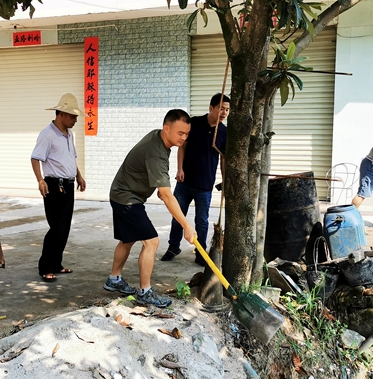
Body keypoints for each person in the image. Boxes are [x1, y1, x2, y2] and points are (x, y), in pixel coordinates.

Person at [103, 109, 197, 308]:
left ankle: (114, 279)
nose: (184, 138)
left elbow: (152, 175)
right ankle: (145, 292)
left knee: (128, 239)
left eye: (187, 134)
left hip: (121, 193)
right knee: (152, 242)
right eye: (180, 133)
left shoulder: (158, 137)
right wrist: (187, 225)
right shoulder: (156, 152)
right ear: (166, 128)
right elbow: (167, 195)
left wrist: (159, 187)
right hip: (127, 198)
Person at [161, 93, 229, 266]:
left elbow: (223, 158)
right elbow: (182, 146)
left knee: (202, 221)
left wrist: (225, 180)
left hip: (205, 184)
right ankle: (173, 247)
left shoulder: (224, 132)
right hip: (185, 181)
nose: (224, 113)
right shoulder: (194, 123)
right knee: (178, 216)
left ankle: (200, 252)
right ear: (211, 108)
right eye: (221, 108)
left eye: (227, 110)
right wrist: (180, 169)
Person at [31, 93, 86, 281]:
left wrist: (78, 176)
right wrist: (40, 180)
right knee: (56, 228)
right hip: (54, 185)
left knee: (65, 227)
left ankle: (56, 264)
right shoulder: (48, 134)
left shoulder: (69, 134)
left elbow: (71, 158)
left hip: (68, 185)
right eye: (72, 116)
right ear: (61, 114)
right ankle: (45, 267)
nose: (75, 120)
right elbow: (35, 158)